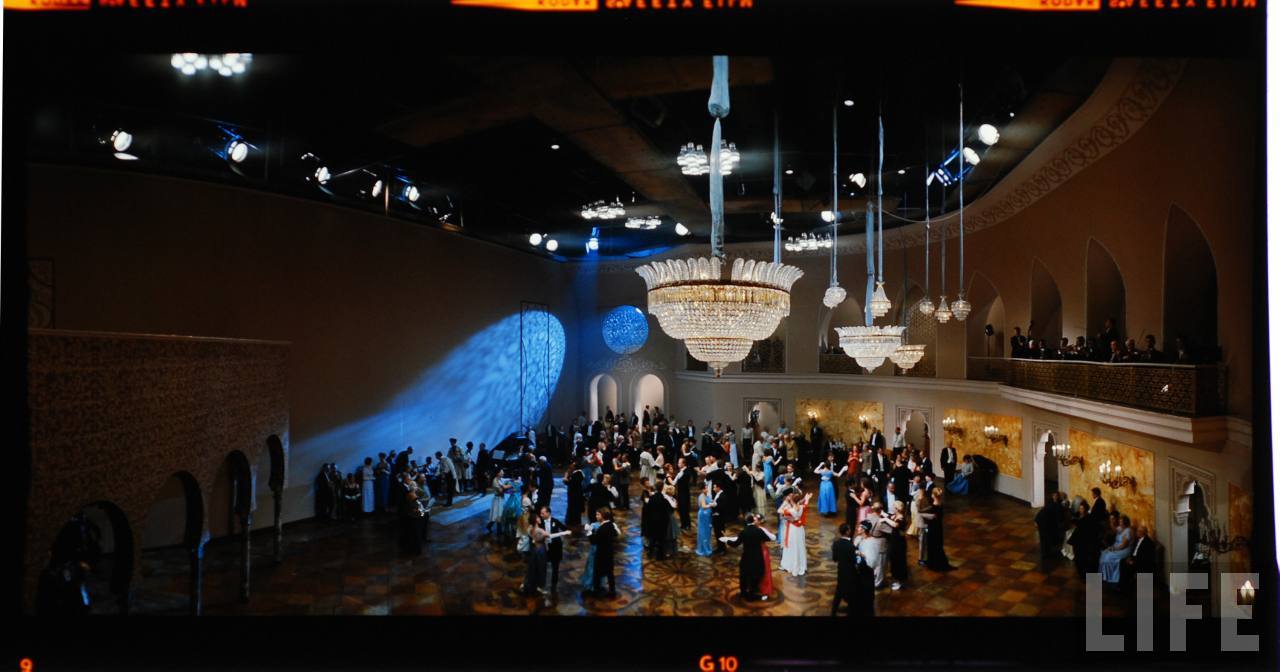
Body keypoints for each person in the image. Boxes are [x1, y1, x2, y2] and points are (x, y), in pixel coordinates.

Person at [724, 512, 777, 601]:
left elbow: (735, 544)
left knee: (744, 575)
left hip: (746, 557)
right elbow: (768, 538)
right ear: (753, 520)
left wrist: (727, 540)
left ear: (746, 521)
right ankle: (753, 594)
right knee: (756, 575)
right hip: (757, 557)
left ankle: (743, 593)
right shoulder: (759, 531)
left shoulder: (744, 532)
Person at [778, 491, 813, 576]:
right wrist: (806, 499)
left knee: (792, 546)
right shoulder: (801, 507)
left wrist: (786, 502)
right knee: (800, 546)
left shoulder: (791, 510)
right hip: (800, 529)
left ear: (792, 501)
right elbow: (805, 504)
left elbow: (779, 511)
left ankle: (791, 565)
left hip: (793, 530)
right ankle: (801, 565)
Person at [588, 508, 620, 598]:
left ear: (603, 516)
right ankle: (612, 591)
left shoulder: (602, 529)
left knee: (597, 573)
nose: (596, 516)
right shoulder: (611, 525)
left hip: (601, 553)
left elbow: (593, 541)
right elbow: (615, 534)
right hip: (609, 553)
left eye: (598, 514)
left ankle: (596, 591)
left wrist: (589, 532)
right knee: (610, 573)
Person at [919, 488, 952, 571]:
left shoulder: (934, 506)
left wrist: (921, 501)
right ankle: (936, 561)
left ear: (933, 495)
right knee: (937, 545)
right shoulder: (940, 504)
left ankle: (933, 563)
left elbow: (924, 512)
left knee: (932, 544)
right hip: (938, 527)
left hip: (933, 528)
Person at [831, 523, 858, 615]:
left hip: (841, 571)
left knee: (839, 592)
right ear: (847, 532)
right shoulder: (851, 546)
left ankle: (833, 612)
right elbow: (854, 560)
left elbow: (835, 559)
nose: (850, 530)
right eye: (849, 529)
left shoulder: (836, 544)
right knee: (852, 593)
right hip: (851, 572)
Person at [1068, 501, 1100, 579]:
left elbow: (1082, 531)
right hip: (1083, 543)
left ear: (1085, 509)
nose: (1080, 510)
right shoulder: (1084, 518)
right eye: (1080, 508)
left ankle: (1087, 579)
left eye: (1082, 508)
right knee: (1084, 562)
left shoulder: (1086, 519)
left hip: (1084, 544)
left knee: (1085, 562)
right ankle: (1087, 579)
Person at [1099, 515, 1133, 584]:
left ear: (1125, 522)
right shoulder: (1120, 528)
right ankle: (1104, 575)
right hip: (1116, 546)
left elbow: (1123, 545)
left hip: (1124, 549)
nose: (1120, 523)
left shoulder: (1128, 530)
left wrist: (1113, 548)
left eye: (1121, 521)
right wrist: (1111, 521)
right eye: (1119, 521)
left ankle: (1111, 576)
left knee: (1108, 556)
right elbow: (1113, 529)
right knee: (1104, 553)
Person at [1035, 492, 1065, 568]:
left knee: (1045, 537)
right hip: (1044, 522)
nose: (1055, 497)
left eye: (1056, 496)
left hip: (1043, 521)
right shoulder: (1056, 505)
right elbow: (1059, 518)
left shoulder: (1053, 504)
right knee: (1044, 537)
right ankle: (1045, 553)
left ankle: (1046, 552)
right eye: (1054, 496)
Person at [488, 468, 511, 535]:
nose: (503, 473)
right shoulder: (495, 481)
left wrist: (512, 480)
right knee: (498, 514)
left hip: (501, 499)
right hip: (497, 500)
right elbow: (501, 491)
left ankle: (490, 526)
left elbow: (507, 479)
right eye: (501, 472)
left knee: (498, 514)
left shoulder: (500, 479)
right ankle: (499, 531)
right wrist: (509, 486)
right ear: (498, 473)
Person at [696, 481, 716, 557]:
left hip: (707, 515)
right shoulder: (702, 496)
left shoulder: (705, 495)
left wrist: (713, 502)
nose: (707, 489)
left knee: (707, 532)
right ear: (703, 489)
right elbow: (703, 506)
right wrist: (711, 505)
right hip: (703, 515)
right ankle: (704, 549)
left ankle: (706, 547)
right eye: (706, 488)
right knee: (704, 532)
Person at [674, 457, 694, 530]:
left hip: (685, 493)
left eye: (679, 463)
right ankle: (683, 524)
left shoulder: (687, 471)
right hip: (680, 493)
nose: (678, 464)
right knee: (680, 509)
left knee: (685, 509)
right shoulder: (680, 472)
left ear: (683, 464)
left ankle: (687, 524)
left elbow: (686, 480)